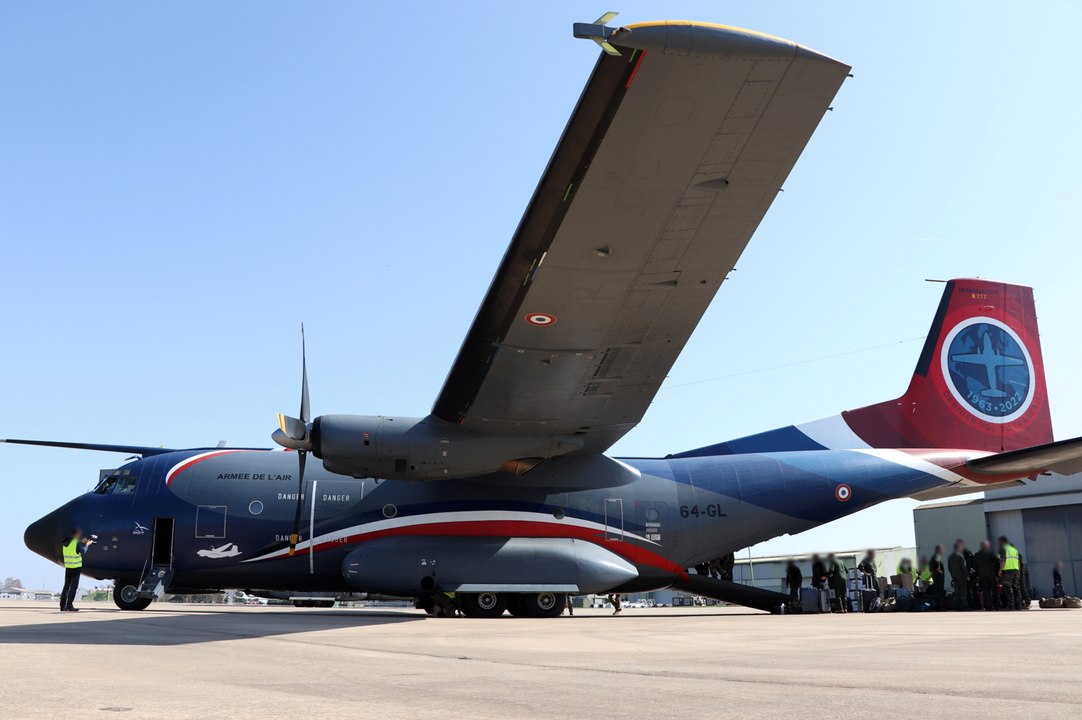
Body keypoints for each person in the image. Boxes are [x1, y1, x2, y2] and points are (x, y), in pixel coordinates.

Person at [60, 528, 93, 612]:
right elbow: (83, 551)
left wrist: (82, 541)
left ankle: (62, 606)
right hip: (76, 568)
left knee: (66, 587)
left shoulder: (65, 542)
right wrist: (87, 544)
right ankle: (69, 605)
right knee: (73, 587)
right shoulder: (76, 542)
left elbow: (72, 547)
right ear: (77, 534)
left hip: (68, 567)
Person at [973, 540, 1000, 610]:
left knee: (985, 590)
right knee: (994, 590)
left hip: (982, 575)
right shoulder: (990, 553)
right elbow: (997, 562)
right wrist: (993, 569)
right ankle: (997, 605)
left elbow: (974, 566)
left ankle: (988, 606)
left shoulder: (976, 555)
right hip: (991, 574)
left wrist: (978, 574)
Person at [998, 536, 1022, 611]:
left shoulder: (1003, 549)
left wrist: (1000, 570)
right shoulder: (1014, 550)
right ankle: (1019, 606)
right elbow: (1018, 561)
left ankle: (1011, 606)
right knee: (1016, 588)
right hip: (1015, 570)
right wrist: (1018, 570)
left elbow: (1003, 560)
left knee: (1008, 589)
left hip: (1007, 570)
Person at [948, 540, 969, 611]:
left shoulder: (950, 557)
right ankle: (964, 606)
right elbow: (964, 567)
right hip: (961, 575)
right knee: (963, 590)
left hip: (954, 575)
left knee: (956, 590)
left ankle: (956, 606)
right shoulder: (960, 556)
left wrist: (952, 574)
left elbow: (949, 568)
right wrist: (967, 575)